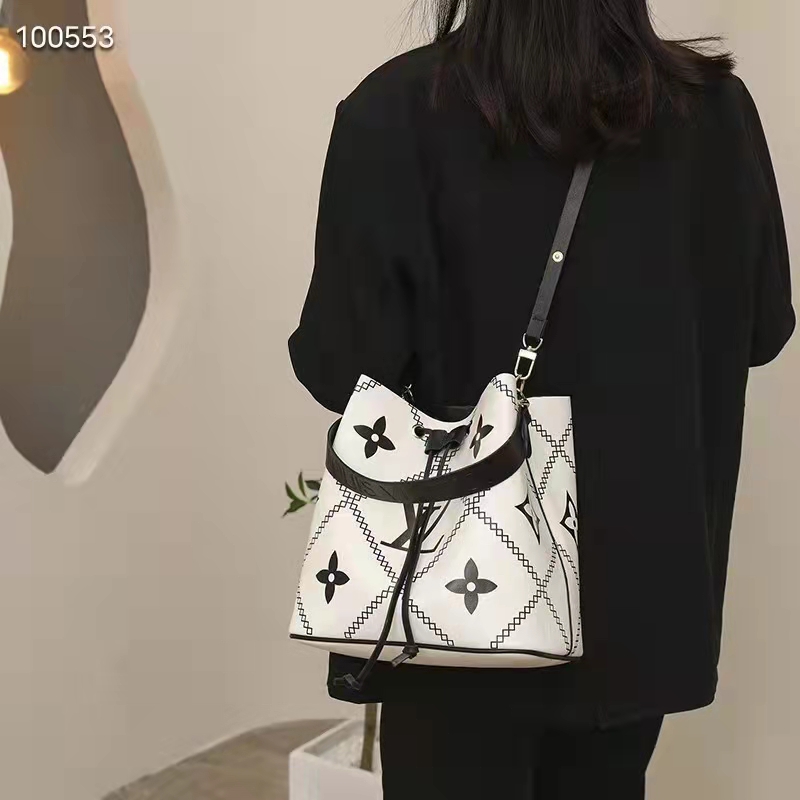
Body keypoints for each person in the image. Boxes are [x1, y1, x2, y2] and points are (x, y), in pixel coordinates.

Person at [288, 1, 795, 797]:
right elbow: (761, 329)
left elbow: (340, 368)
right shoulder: (714, 115)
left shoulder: (395, 112)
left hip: (455, 613)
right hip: (639, 600)